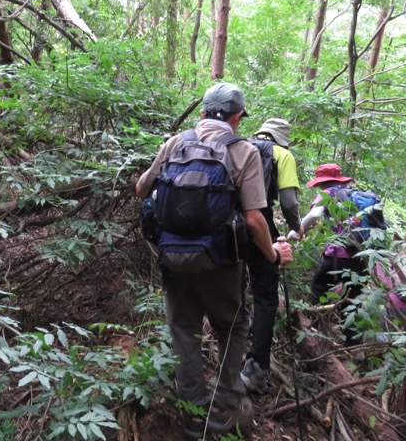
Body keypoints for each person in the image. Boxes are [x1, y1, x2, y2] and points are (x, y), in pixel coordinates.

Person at [136, 82, 294, 439]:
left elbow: (142, 189)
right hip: (220, 262)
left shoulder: (175, 143)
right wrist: (272, 255)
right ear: (237, 117)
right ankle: (225, 406)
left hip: (172, 257)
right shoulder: (244, 151)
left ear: (203, 113)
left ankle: (193, 415)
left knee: (183, 331)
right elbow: (255, 219)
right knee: (234, 326)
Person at [241, 118, 304, 393]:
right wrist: (295, 226)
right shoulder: (282, 154)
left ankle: (227, 357)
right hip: (259, 223)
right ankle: (254, 369)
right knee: (266, 295)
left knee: (232, 288)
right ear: (283, 138)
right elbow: (289, 202)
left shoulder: (240, 145)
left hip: (224, 225)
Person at [301, 163, 376, 348]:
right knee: (354, 301)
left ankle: (315, 334)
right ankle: (354, 346)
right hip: (361, 257)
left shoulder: (329, 193)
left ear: (323, 182)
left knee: (319, 289)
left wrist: (298, 230)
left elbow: (313, 216)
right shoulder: (354, 195)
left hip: (337, 255)